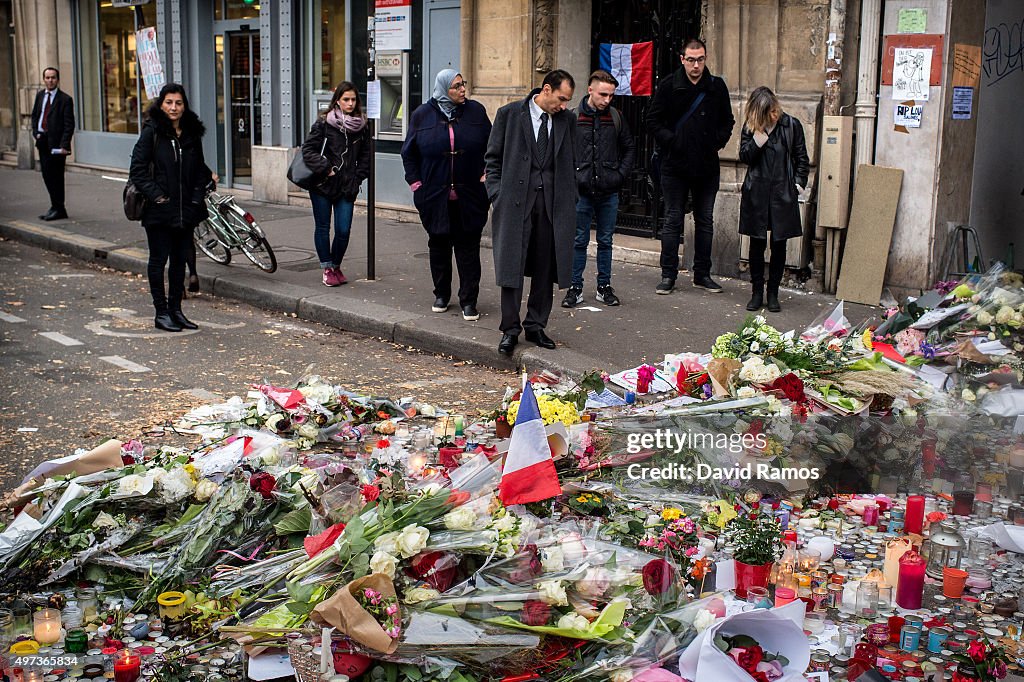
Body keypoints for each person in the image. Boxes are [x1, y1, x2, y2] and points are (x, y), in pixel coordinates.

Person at [485, 69, 578, 355]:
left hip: (552, 206)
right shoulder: (509, 115)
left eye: (567, 101)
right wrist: (497, 194)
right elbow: (493, 158)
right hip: (514, 204)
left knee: (545, 266)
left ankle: (536, 325)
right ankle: (509, 330)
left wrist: (570, 196)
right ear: (546, 90)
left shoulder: (567, 121)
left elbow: (573, 160)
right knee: (512, 266)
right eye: (561, 99)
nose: (563, 105)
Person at [401, 69, 492, 321]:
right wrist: (416, 184)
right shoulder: (422, 115)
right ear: (443, 89)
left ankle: (469, 301)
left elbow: (493, 147)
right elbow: (409, 153)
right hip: (433, 195)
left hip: (471, 195)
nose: (463, 90)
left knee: (468, 248)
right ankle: (441, 294)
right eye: (456, 86)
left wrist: (487, 176)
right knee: (439, 245)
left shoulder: (476, 112)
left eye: (463, 84)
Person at [646, 38, 735, 295]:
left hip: (706, 165)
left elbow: (727, 121)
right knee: (673, 219)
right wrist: (672, 141)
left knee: (705, 220)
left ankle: (702, 274)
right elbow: (652, 121)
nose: (696, 65)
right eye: (691, 59)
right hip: (675, 164)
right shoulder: (668, 86)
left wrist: (714, 143)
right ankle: (668, 275)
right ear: (682, 59)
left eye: (701, 59)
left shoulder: (716, 87)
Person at [129, 83, 213, 332]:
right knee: (158, 260)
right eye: (169, 102)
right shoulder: (151, 132)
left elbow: (200, 169)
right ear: (161, 104)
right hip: (159, 210)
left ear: (184, 105)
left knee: (179, 262)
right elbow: (138, 170)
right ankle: (161, 313)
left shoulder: (191, 133)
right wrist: (158, 197)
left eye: (178, 103)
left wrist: (196, 199)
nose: (173, 108)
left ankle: (176, 310)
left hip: (186, 210)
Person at [563, 69, 635, 309]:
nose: (607, 100)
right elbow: (562, 153)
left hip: (608, 191)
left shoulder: (615, 117)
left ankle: (604, 287)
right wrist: (574, 178)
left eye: (611, 95)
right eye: (603, 94)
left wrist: (619, 176)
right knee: (578, 240)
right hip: (581, 192)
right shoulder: (572, 117)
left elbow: (629, 148)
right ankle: (575, 287)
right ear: (590, 90)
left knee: (606, 241)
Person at [738, 86, 808, 313]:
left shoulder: (791, 125)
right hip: (757, 193)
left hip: (782, 193)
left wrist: (797, 185)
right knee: (756, 243)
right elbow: (744, 156)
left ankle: (773, 293)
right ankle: (757, 292)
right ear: (759, 112)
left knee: (779, 244)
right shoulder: (751, 127)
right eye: (769, 111)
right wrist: (758, 140)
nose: (775, 115)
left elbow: (801, 158)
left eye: (775, 109)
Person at [300, 81, 371, 287]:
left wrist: (358, 177)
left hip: (347, 186)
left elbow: (365, 157)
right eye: (346, 99)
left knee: (343, 229)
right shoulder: (324, 123)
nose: (350, 103)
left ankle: (336, 264)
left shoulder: (361, 126)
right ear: (337, 101)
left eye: (353, 99)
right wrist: (326, 168)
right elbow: (308, 150)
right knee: (323, 227)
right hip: (323, 184)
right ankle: (327, 268)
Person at [30, 67, 75, 221]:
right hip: (42, 141)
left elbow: (69, 125)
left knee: (56, 177)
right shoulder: (40, 95)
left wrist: (64, 145)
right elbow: (35, 115)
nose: (50, 80)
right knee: (47, 176)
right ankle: (54, 206)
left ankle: (60, 208)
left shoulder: (65, 99)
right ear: (44, 79)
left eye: (53, 78)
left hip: (57, 145)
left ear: (58, 79)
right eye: (47, 78)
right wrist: (35, 132)